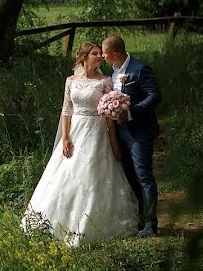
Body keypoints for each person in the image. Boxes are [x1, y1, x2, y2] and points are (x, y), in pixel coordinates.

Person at [20, 42, 139, 246]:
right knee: (65, 175)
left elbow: (109, 118)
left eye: (101, 54)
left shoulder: (105, 81)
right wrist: (65, 137)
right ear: (84, 58)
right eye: (95, 54)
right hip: (75, 132)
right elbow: (67, 110)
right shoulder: (71, 81)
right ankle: (54, 224)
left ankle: (91, 225)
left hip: (96, 133)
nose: (100, 57)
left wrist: (114, 144)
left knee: (93, 175)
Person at [102, 35, 162, 237]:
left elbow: (155, 96)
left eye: (105, 53)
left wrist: (132, 112)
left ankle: (151, 224)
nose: (103, 56)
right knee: (129, 176)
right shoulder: (112, 73)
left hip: (140, 132)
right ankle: (138, 219)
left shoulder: (140, 69)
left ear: (115, 54)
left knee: (144, 175)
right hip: (121, 132)